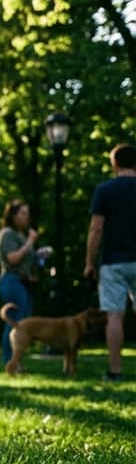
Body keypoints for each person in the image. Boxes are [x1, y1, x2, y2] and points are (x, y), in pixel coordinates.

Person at [83, 143, 136, 381]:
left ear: (114, 163)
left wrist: (89, 262)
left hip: (113, 261)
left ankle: (115, 371)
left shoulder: (105, 190)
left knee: (114, 316)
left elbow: (96, 229)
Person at [0, 199, 39, 369]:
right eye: (23, 213)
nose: (26, 217)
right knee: (15, 322)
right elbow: (12, 258)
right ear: (12, 215)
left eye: (27, 214)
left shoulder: (20, 235)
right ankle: (10, 362)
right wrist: (30, 242)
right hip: (11, 282)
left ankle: (16, 361)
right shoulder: (7, 234)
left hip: (23, 282)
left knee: (22, 323)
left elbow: (26, 260)